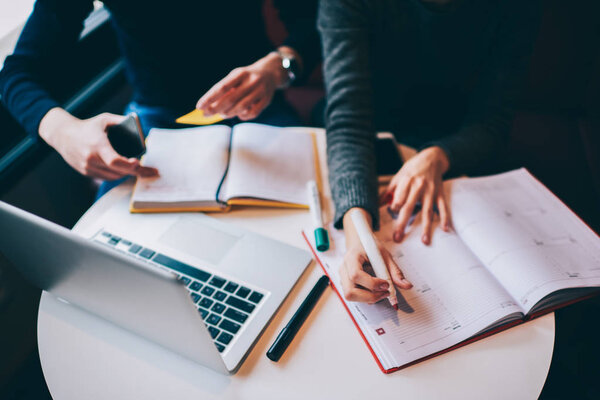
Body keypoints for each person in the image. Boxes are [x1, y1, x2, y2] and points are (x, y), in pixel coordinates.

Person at [318, 0, 540, 303]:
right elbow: (348, 120)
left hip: (459, 139)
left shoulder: (515, 8)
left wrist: (439, 155)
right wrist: (358, 231)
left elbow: (494, 120)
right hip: (371, 141)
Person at [0, 0, 319, 193]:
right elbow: (18, 72)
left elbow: (318, 23)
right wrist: (62, 131)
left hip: (255, 104)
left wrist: (280, 66)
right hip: (153, 120)